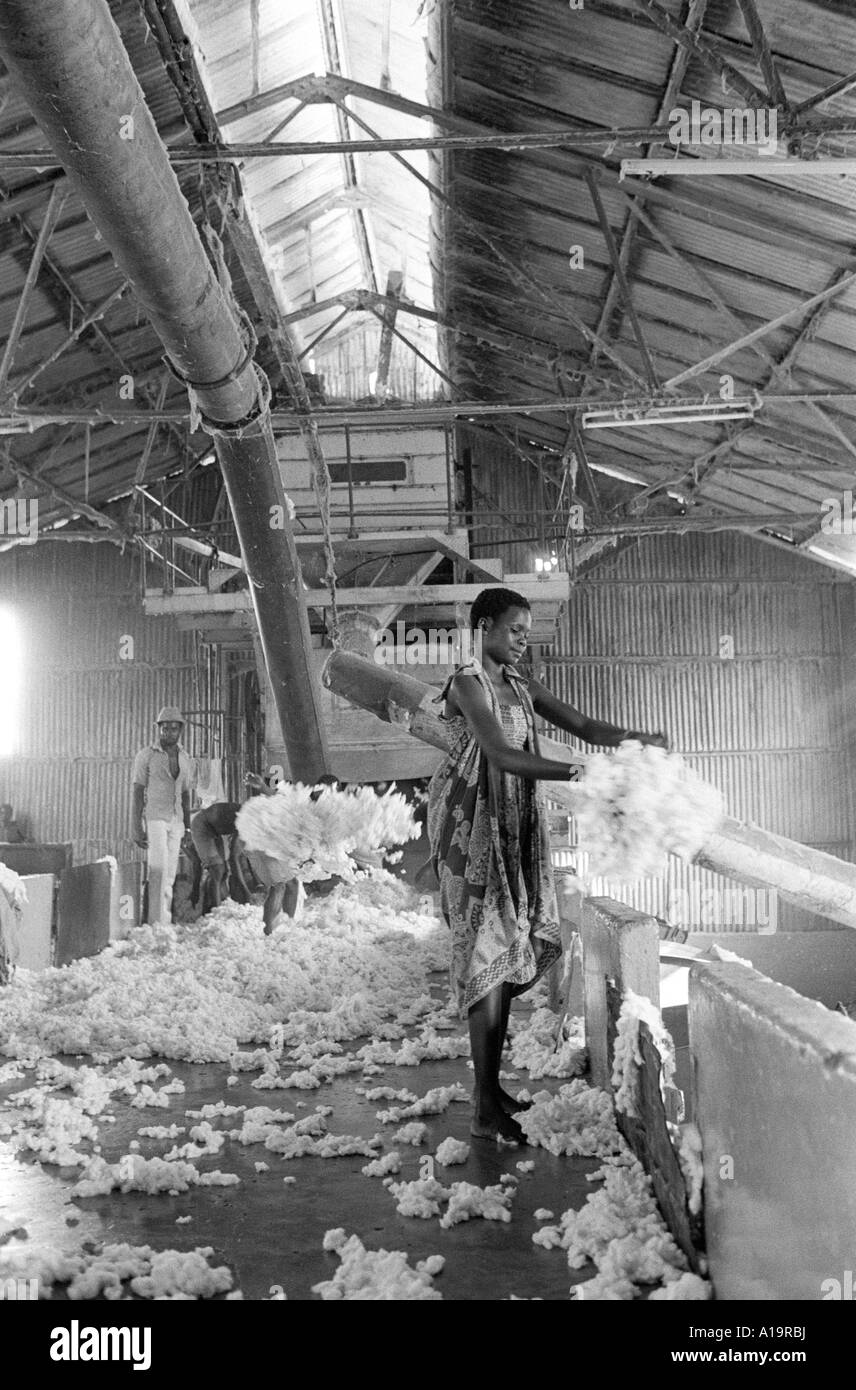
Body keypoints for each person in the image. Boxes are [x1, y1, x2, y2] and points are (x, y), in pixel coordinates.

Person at [427, 587, 668, 1143]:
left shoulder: (518, 684)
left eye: (526, 632)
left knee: (509, 953)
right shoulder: (468, 683)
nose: (522, 640)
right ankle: (485, 1111)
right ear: (484, 625)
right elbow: (501, 755)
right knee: (489, 954)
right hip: (476, 833)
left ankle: (491, 1090)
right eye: (514, 630)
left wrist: (637, 743)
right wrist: (578, 776)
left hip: (515, 827)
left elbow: (584, 727)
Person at [190, 773, 300, 934]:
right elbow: (235, 857)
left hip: (237, 830)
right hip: (211, 828)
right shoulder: (249, 822)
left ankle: (288, 926)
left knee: (292, 883)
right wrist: (246, 890)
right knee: (220, 871)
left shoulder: (281, 812)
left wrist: (262, 785)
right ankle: (263, 930)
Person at [131, 706, 196, 926]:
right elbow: (138, 790)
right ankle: (154, 923)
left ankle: (164, 921)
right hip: (155, 817)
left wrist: (187, 828)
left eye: (174, 729)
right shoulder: (146, 755)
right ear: (159, 730)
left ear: (180, 731)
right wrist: (136, 826)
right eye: (165, 729)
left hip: (177, 820)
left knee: (170, 873)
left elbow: (186, 794)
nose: (169, 733)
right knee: (157, 869)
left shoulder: (186, 758)